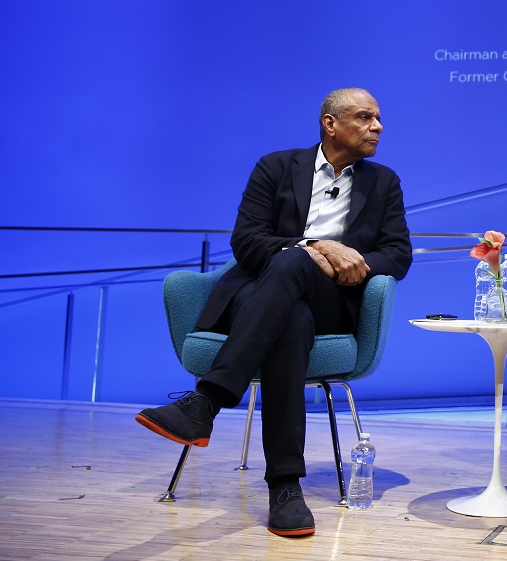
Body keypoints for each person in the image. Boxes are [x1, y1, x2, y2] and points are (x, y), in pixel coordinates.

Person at [136, 88, 412, 537]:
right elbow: (246, 242)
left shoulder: (383, 182)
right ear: (330, 123)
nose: (377, 127)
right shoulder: (276, 166)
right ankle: (285, 487)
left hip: (332, 300)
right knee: (291, 311)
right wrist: (316, 248)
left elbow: (398, 256)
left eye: (378, 119)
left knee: (295, 272)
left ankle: (206, 401)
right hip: (259, 294)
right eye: (365, 117)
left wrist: (349, 261)